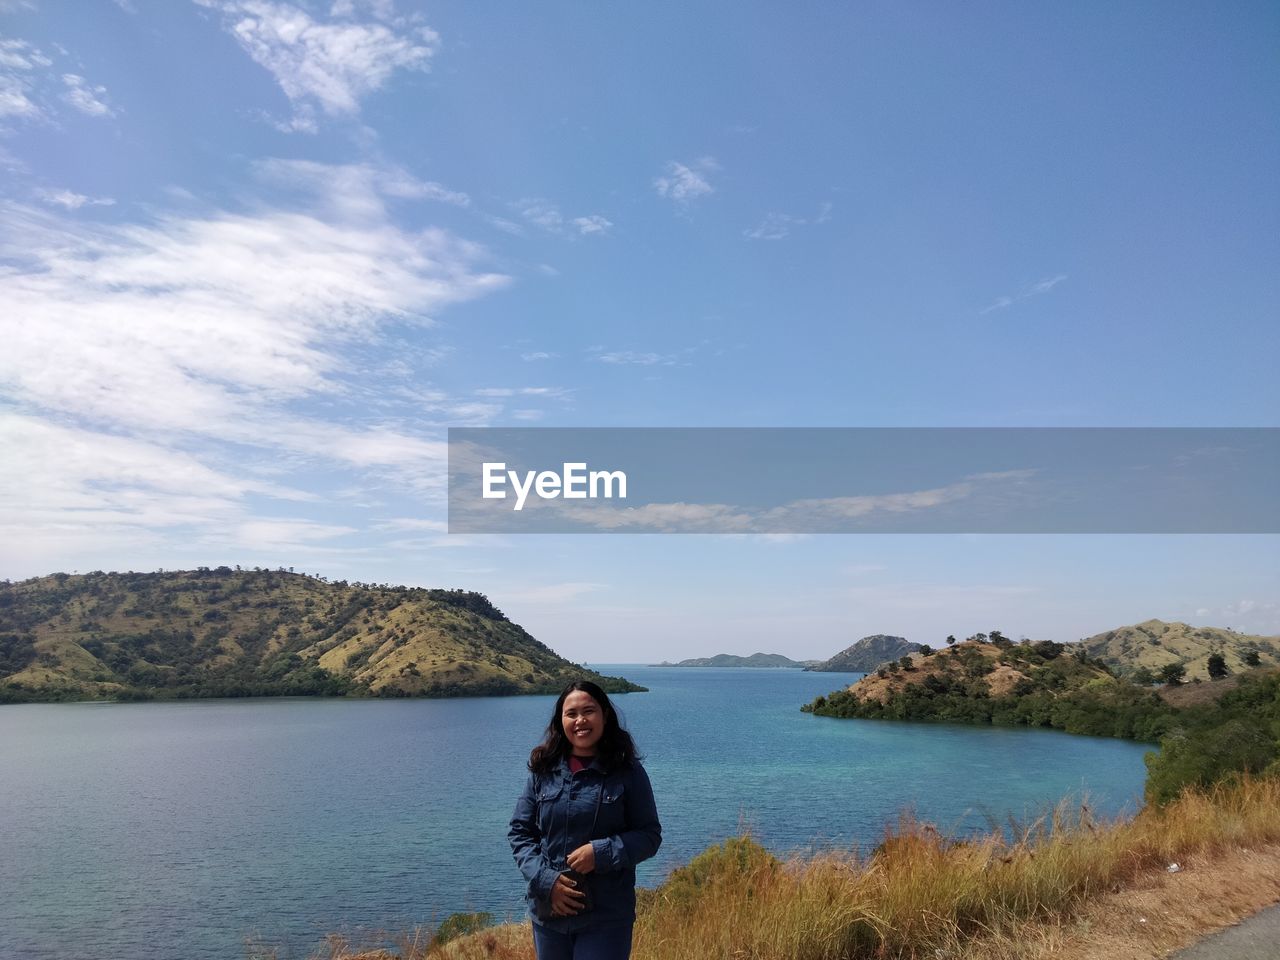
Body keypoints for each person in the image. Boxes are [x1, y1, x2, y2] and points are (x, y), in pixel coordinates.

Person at [509, 680, 661, 960]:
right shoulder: (543, 770)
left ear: (604, 714)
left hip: (606, 917)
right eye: (571, 714)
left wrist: (600, 852)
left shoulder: (628, 772)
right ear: (560, 721)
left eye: (588, 711)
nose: (580, 720)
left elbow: (649, 836)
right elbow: (520, 832)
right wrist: (546, 881)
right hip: (550, 913)